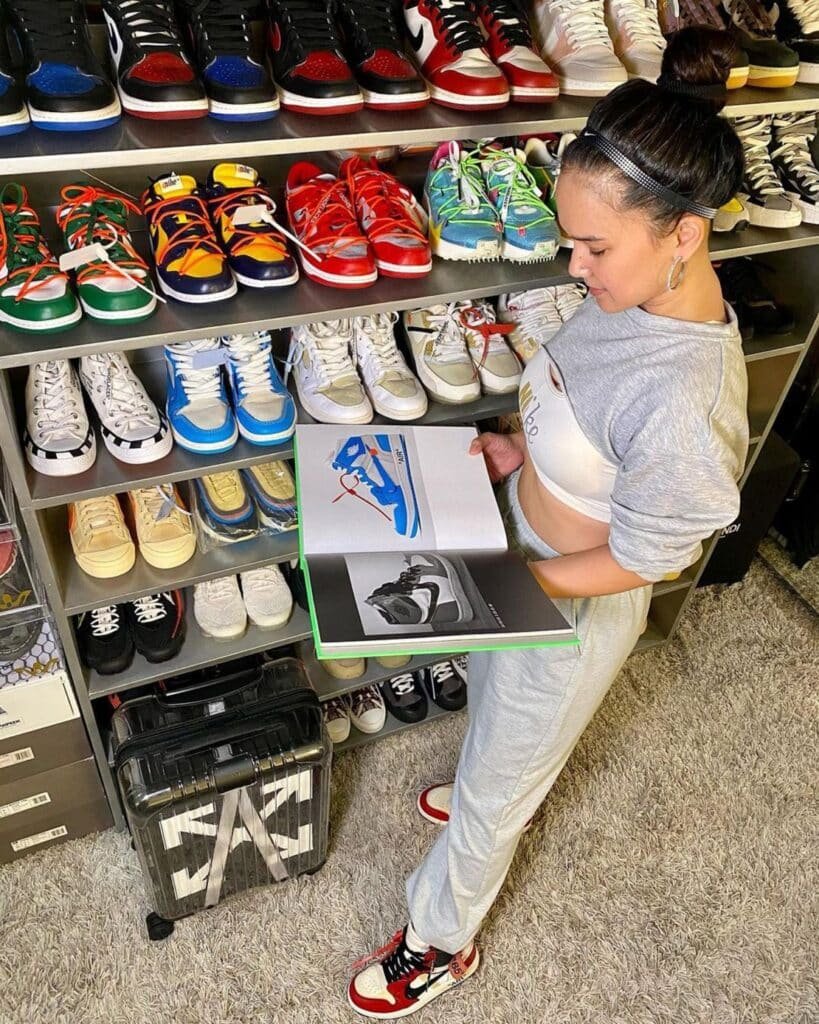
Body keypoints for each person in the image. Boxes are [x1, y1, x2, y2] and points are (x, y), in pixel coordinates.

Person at [347, 26, 750, 1020]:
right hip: (522, 552)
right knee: (488, 694)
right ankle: (489, 765)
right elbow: (577, 406)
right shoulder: (632, 292)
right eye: (571, 239)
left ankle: (438, 942)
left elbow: (644, 557)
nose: (574, 266)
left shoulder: (685, 404)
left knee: (495, 799)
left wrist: (507, 585)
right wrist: (515, 454)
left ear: (683, 233)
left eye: (594, 247)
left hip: (569, 607)